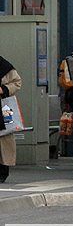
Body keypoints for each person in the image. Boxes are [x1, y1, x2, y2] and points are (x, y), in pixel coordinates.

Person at [0, 55, 22, 183]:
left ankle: (3, 170)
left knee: (4, 141)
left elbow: (16, 82)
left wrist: (3, 89)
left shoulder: (4, 66)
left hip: (2, 109)